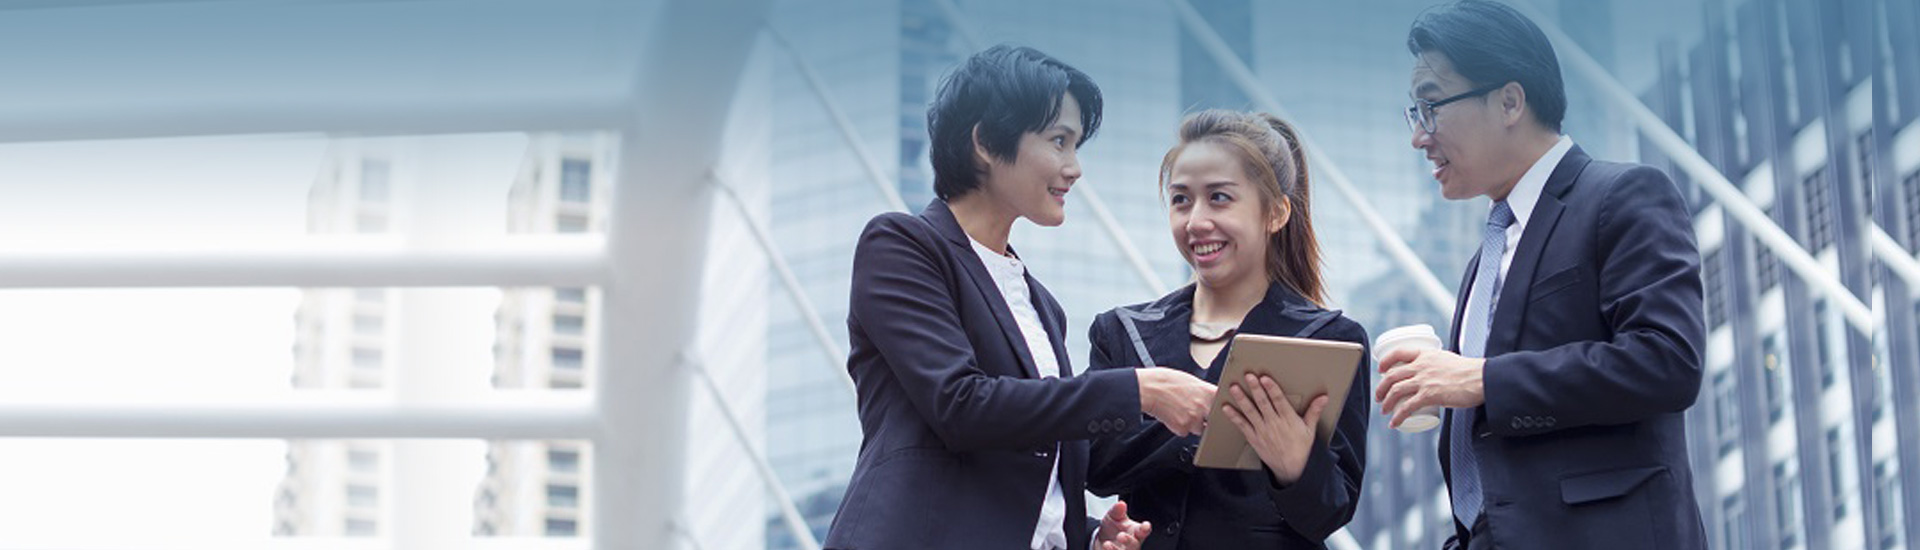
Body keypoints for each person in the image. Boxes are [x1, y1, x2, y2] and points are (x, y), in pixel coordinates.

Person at [822, 45, 1218, 550]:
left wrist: (1087, 535)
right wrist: (1141, 389)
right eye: (1059, 141)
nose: (1074, 168)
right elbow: (961, 405)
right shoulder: (903, 245)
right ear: (986, 142)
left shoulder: (1042, 306)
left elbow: (1036, 460)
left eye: (1076, 146)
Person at [1372, 2, 1709, 548]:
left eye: (1431, 107)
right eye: (1414, 113)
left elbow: (1667, 360)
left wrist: (1481, 380)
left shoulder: (1621, 195)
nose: (1419, 137)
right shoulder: (1482, 263)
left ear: (1509, 101)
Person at [1085, 109, 1369, 549]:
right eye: (1181, 200)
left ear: (1276, 213)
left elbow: (1329, 513)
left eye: (1219, 197)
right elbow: (1095, 467)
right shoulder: (1121, 332)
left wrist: (1295, 462)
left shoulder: (1328, 341)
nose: (1196, 221)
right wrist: (1189, 414)